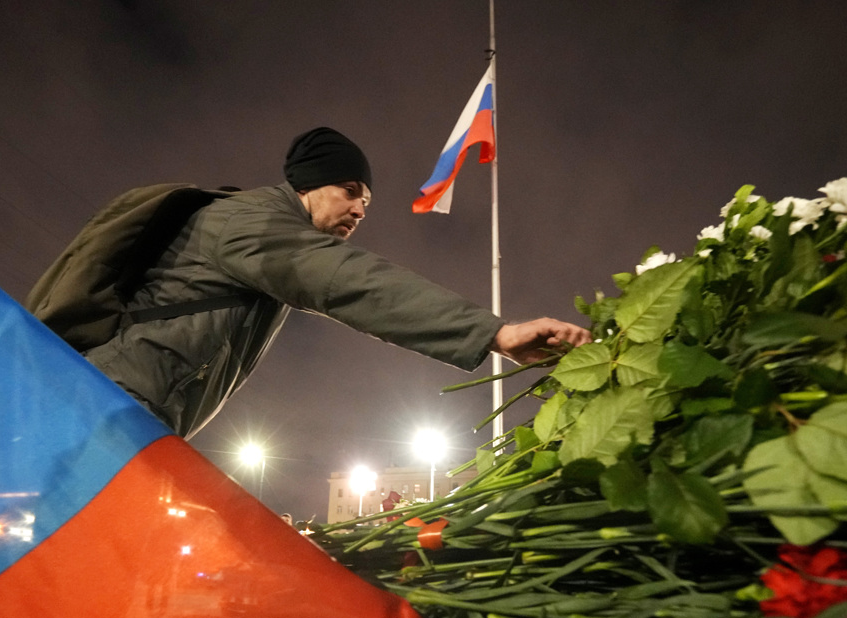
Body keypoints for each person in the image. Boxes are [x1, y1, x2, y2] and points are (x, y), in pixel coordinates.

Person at [82, 127, 592, 437]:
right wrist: (495, 333)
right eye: (349, 191)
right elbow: (354, 283)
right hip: (108, 410)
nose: (359, 210)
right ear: (307, 184)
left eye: (366, 203)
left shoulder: (263, 230)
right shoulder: (251, 223)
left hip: (133, 414)